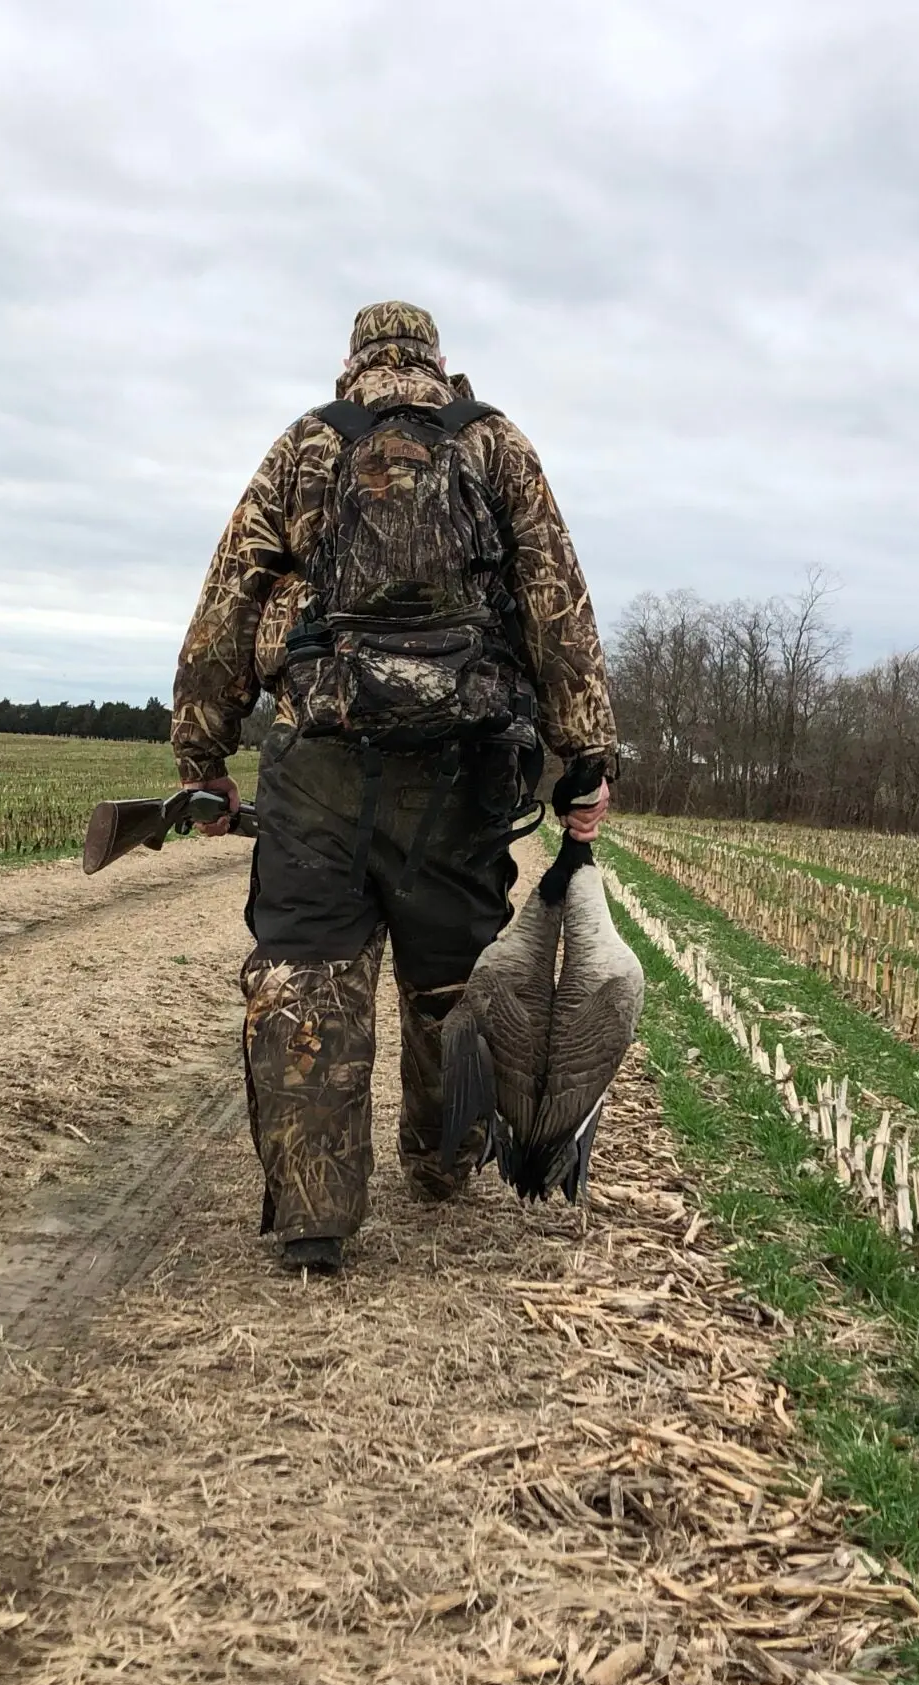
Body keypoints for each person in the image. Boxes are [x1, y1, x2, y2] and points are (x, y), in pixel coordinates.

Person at [171, 302, 615, 1271]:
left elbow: (225, 605)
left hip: (320, 759)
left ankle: (314, 1219)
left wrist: (200, 755)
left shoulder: (306, 445)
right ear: (437, 362)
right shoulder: (495, 443)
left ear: (352, 364)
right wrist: (586, 755)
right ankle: (445, 1158)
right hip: (462, 770)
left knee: (309, 971)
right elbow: (555, 603)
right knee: (448, 976)